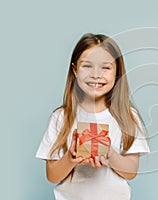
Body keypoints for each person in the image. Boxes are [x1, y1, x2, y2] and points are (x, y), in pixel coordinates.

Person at [36, 33, 150, 200]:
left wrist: (111, 155)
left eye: (105, 67)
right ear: (75, 70)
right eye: (87, 66)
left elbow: (131, 172)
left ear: (117, 72)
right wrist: (71, 157)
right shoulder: (61, 117)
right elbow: (52, 176)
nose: (96, 74)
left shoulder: (127, 116)